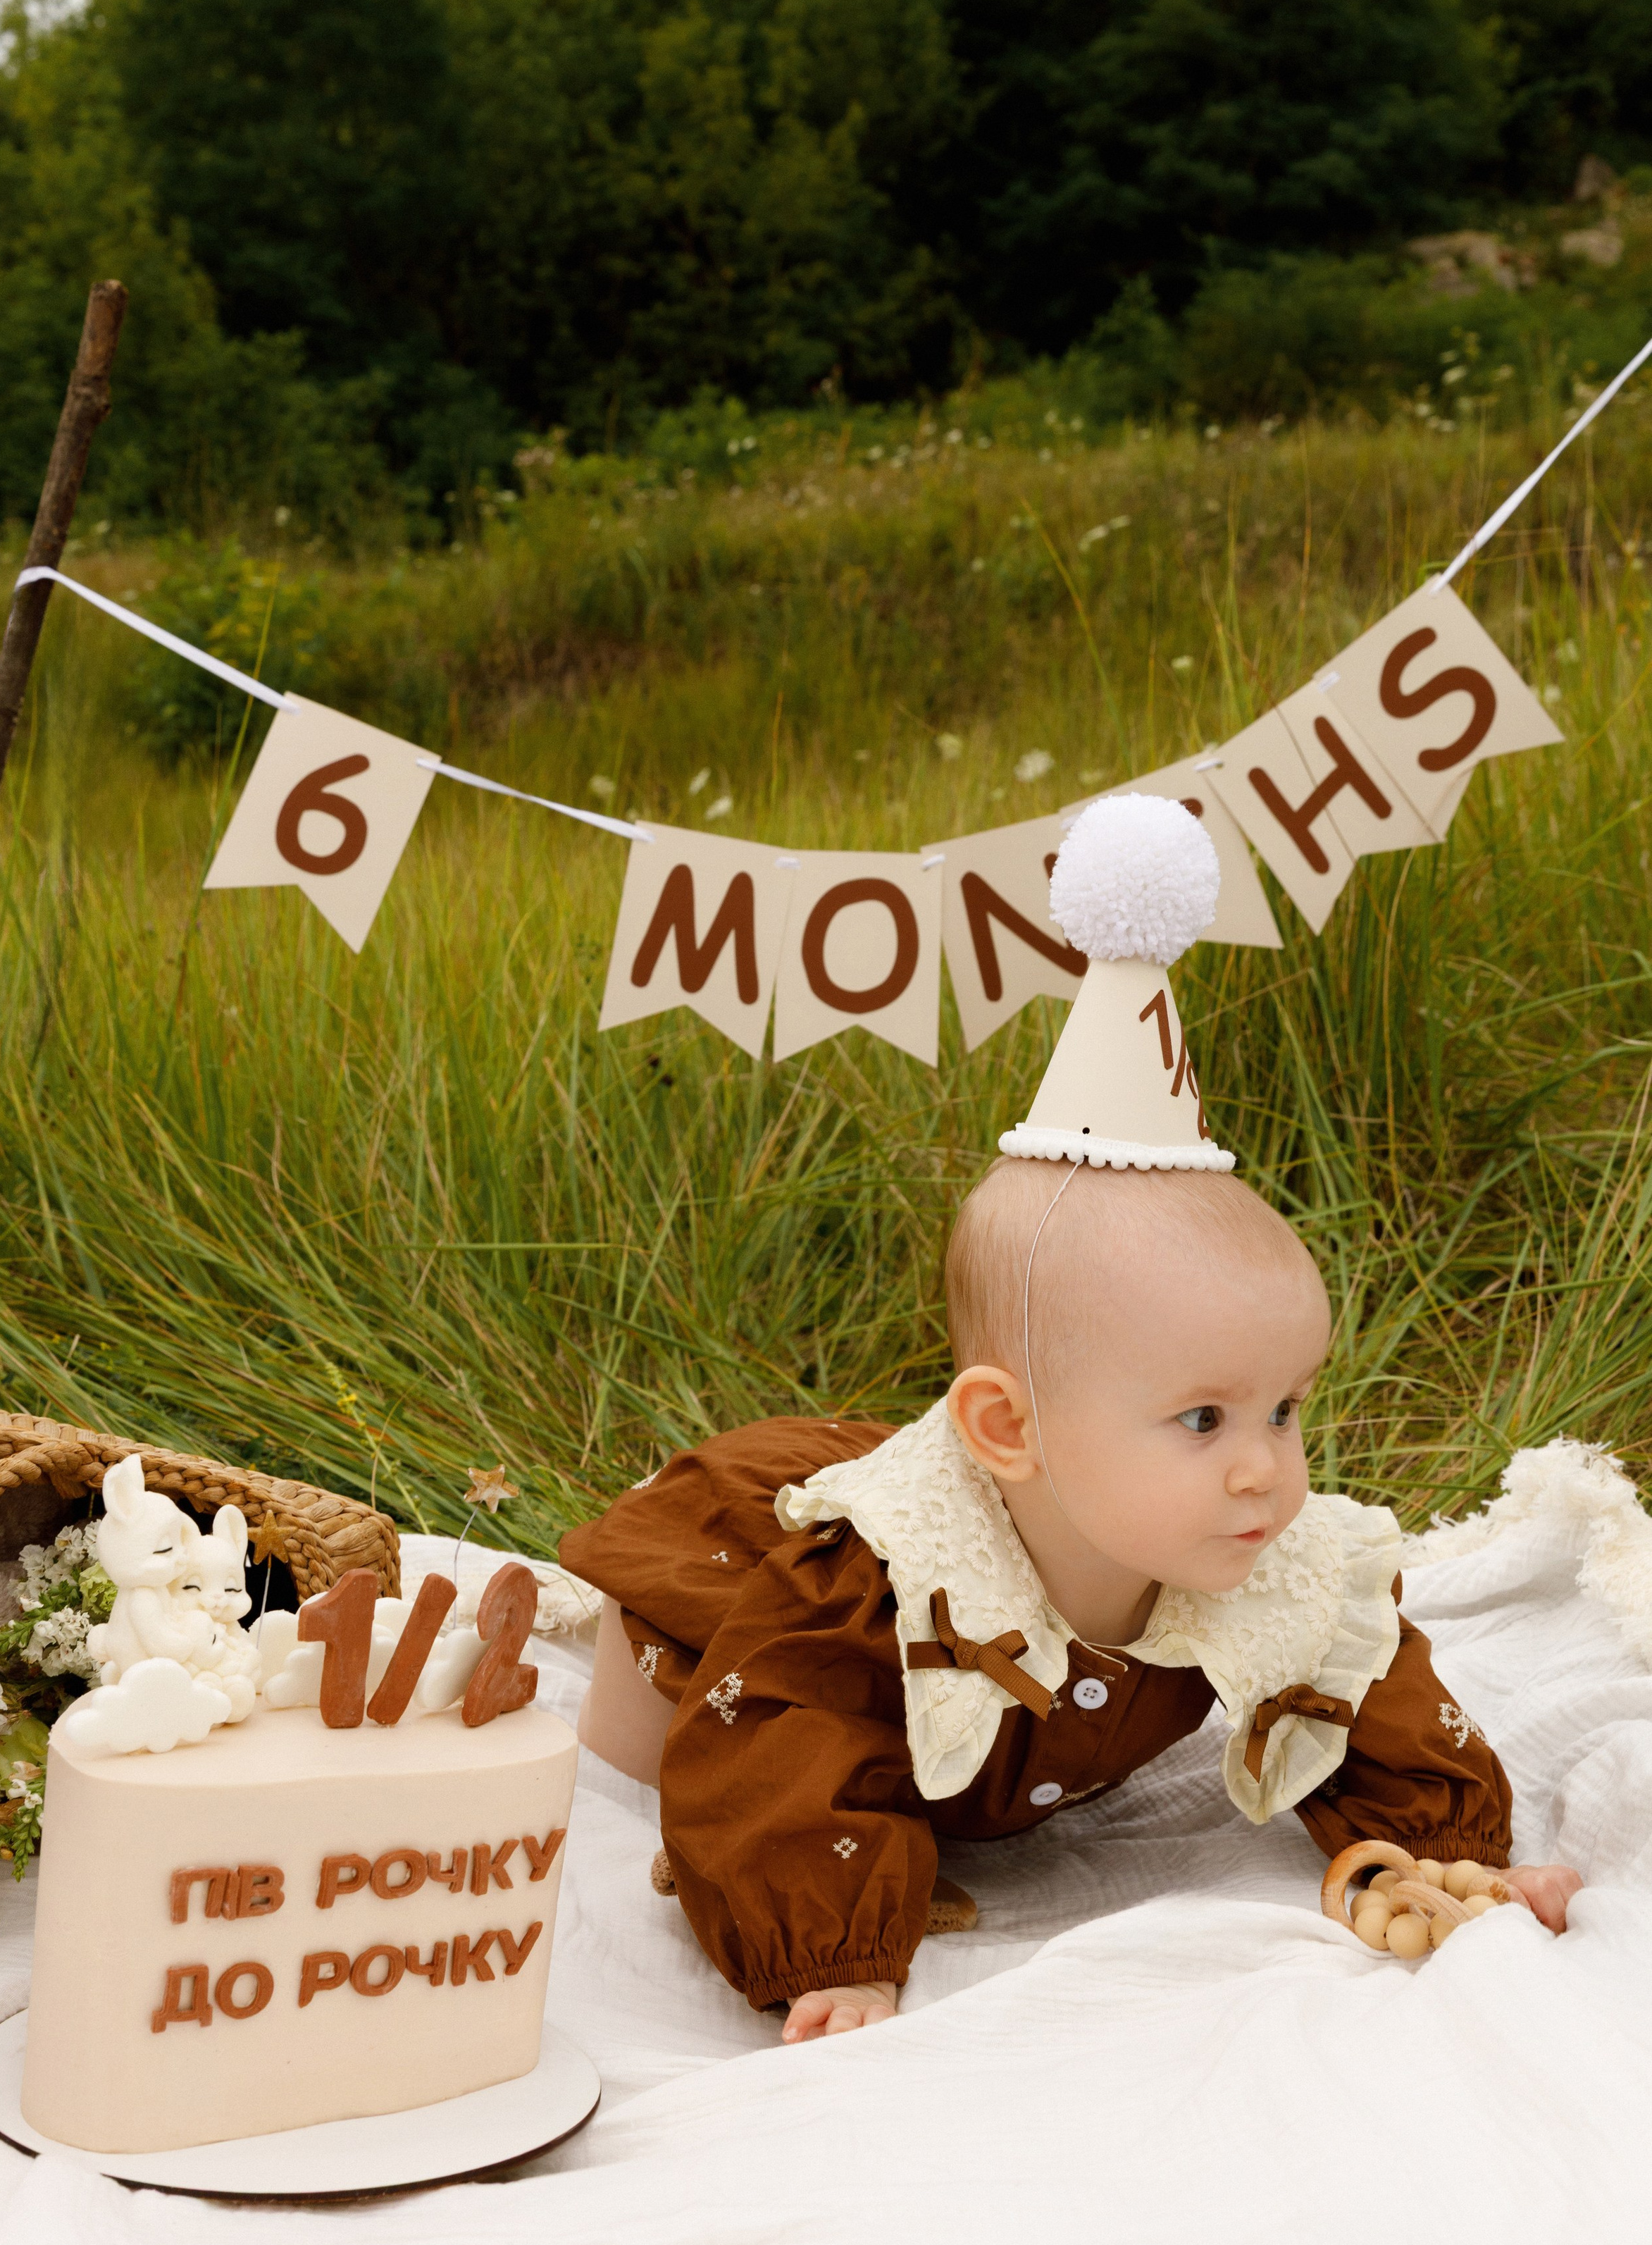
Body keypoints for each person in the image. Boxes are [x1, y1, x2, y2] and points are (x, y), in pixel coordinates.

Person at [561, 797, 1581, 2041]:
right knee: (641, 1759)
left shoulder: (1261, 1556)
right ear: (1005, 1429)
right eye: (1204, 1419)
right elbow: (780, 1736)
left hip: (991, 1694)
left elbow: (1372, 1684)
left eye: (1285, 1408)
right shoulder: (876, 1588)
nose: (1265, 1469)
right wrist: (830, 1948)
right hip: (722, 1594)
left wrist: (1450, 1851)